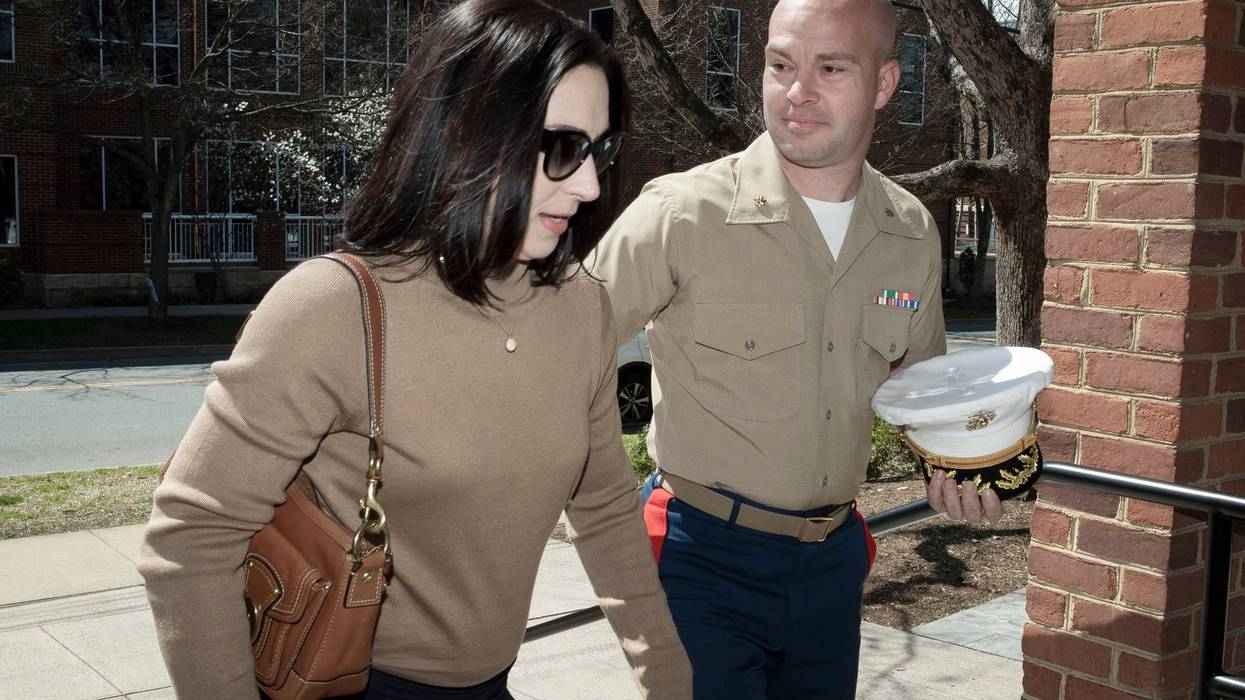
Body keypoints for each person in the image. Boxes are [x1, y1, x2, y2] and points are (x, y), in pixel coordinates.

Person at [138, 1, 693, 698]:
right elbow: (190, 535)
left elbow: (605, 505)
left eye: (599, 152)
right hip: (348, 682)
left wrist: (670, 676)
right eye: (562, 149)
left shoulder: (582, 307)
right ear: (467, 135)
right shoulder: (332, 307)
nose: (588, 186)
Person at [591, 0, 1003, 697]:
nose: (797, 91)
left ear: (883, 83)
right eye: (781, 65)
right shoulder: (681, 213)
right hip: (699, 560)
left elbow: (924, 389)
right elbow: (555, 353)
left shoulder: (907, 229)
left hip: (832, 566)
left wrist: (965, 460)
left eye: (830, 69)